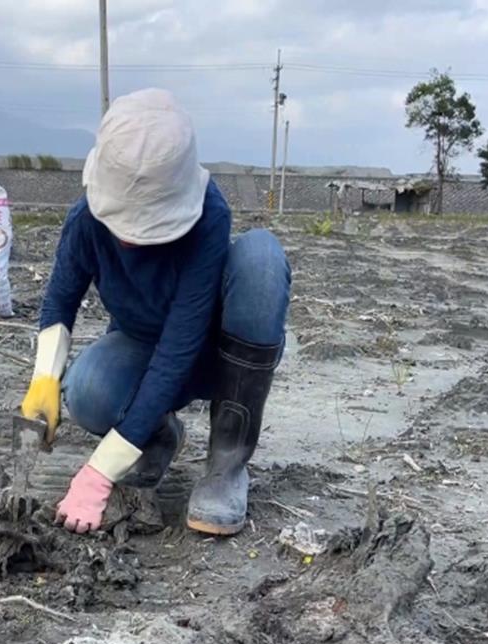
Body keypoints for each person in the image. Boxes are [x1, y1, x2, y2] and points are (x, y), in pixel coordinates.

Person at [19, 88, 291, 536]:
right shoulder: (86, 219)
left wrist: (98, 473)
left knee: (261, 259)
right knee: (87, 391)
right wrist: (44, 380)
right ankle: (155, 436)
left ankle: (226, 466)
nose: (129, 237)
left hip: (213, 355)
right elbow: (60, 300)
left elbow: (179, 348)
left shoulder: (209, 218)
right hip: (143, 347)